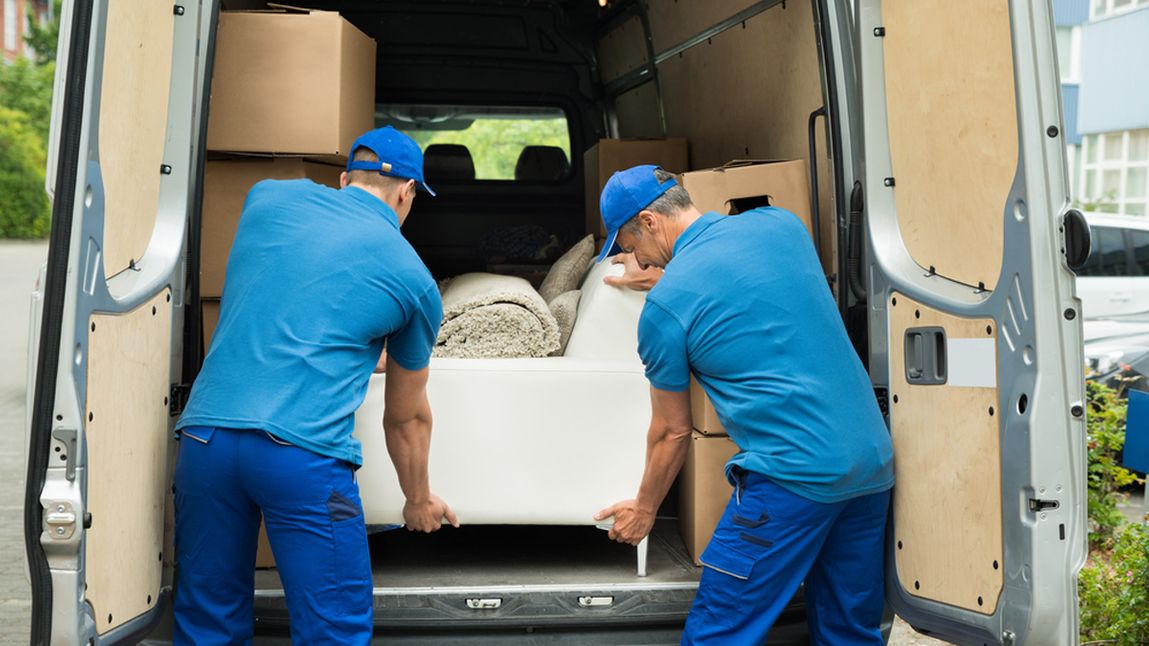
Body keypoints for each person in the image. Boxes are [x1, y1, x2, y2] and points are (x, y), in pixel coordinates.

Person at [172, 126, 457, 644]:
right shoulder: (414, 280)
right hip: (299, 456)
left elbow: (300, 299)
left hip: (205, 439)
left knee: (206, 621)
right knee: (333, 629)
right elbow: (406, 416)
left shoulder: (267, 198)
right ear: (407, 193)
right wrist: (418, 500)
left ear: (346, 177)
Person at [593, 165, 894, 644]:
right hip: (870, 465)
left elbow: (672, 431)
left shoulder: (665, 310)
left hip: (792, 478)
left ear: (650, 221)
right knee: (850, 634)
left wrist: (645, 510)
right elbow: (750, 283)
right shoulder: (782, 226)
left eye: (632, 247)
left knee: (717, 634)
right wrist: (670, 277)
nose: (639, 260)